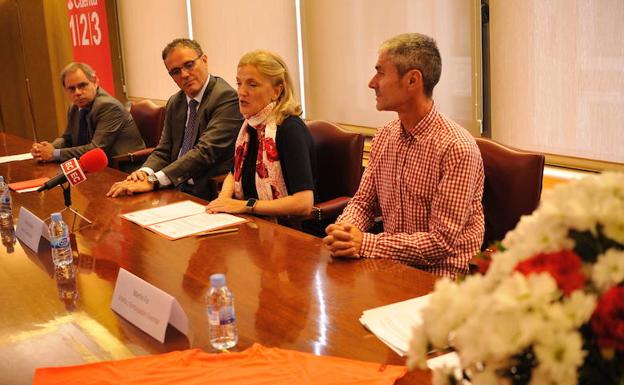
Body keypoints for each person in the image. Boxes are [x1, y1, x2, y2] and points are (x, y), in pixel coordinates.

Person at [323, 33, 484, 278]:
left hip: (439, 279)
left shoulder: (457, 147)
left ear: (412, 80)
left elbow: (440, 243)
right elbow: (363, 203)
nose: (372, 82)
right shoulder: (385, 135)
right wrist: (346, 231)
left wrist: (365, 243)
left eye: (381, 73)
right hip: (389, 266)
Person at [106, 38, 243, 200]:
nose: (184, 74)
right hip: (172, 186)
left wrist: (154, 180)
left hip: (206, 192)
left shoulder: (226, 98)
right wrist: (144, 173)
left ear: (204, 60)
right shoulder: (176, 101)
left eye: (189, 65)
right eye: (175, 71)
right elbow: (164, 149)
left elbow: (204, 152)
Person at [205, 50, 315, 217]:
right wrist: (223, 200)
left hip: (288, 228)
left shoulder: (289, 129)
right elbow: (233, 172)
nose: (241, 92)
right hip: (252, 221)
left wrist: (245, 206)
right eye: (239, 83)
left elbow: (303, 203)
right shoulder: (250, 125)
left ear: (276, 91)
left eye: (252, 84)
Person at [30, 62, 145, 164]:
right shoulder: (74, 107)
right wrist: (48, 148)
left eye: (82, 85)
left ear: (95, 82)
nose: (78, 92)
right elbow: (68, 138)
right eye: (71, 89)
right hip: (94, 168)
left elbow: (95, 149)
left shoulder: (109, 107)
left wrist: (54, 154)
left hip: (121, 168)